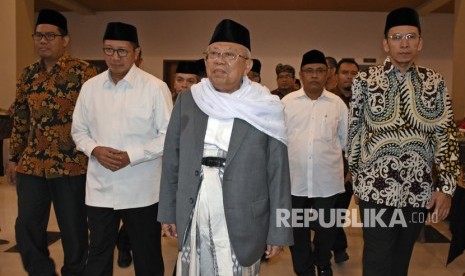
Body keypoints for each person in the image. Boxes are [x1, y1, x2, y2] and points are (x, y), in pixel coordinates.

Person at [157, 19, 293, 275]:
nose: (219, 60)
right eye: (214, 54)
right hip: (194, 207)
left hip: (244, 215)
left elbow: (278, 174)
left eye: (230, 54)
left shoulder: (266, 107)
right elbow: (172, 161)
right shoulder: (189, 100)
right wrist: (167, 212)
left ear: (248, 64)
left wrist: (279, 229)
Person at [347, 7, 460, 276]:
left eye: (411, 37)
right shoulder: (365, 80)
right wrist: (357, 176)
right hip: (375, 190)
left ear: (420, 43)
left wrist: (446, 188)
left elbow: (446, 135)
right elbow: (354, 132)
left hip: (417, 189)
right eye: (397, 37)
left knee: (401, 259)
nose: (404, 43)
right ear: (386, 43)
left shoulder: (435, 82)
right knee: (376, 258)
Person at [71, 22, 172, 276]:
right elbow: (78, 131)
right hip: (100, 187)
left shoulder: (155, 88)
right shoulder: (90, 87)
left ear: (137, 52)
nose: (115, 57)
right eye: (108, 50)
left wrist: (132, 156)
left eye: (122, 51)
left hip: (142, 189)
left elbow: (167, 137)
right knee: (98, 254)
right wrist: (94, 150)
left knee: (147, 255)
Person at [6, 9, 97, 276]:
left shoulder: (83, 72)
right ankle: (41, 271)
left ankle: (75, 272)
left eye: (50, 35)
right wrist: (14, 158)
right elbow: (21, 118)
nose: (42, 41)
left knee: (74, 229)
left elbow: (95, 118)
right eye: (38, 35)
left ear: (65, 40)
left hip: (71, 164)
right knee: (26, 227)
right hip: (32, 165)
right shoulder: (27, 74)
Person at [283, 49, 348, 276]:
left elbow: (345, 142)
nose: (314, 75)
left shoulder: (337, 104)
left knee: (326, 228)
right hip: (294, 181)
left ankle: (323, 261)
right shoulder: (287, 103)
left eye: (319, 71)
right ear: (301, 74)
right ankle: (304, 270)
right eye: (309, 71)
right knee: (297, 231)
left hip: (327, 182)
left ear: (327, 74)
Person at [330, 58, 359, 263]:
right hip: (331, 167)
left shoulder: (365, 100)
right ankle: (337, 247)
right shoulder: (329, 100)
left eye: (354, 73)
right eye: (345, 73)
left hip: (355, 169)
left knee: (338, 213)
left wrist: (353, 169)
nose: (349, 77)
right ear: (337, 75)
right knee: (329, 212)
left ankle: (334, 245)